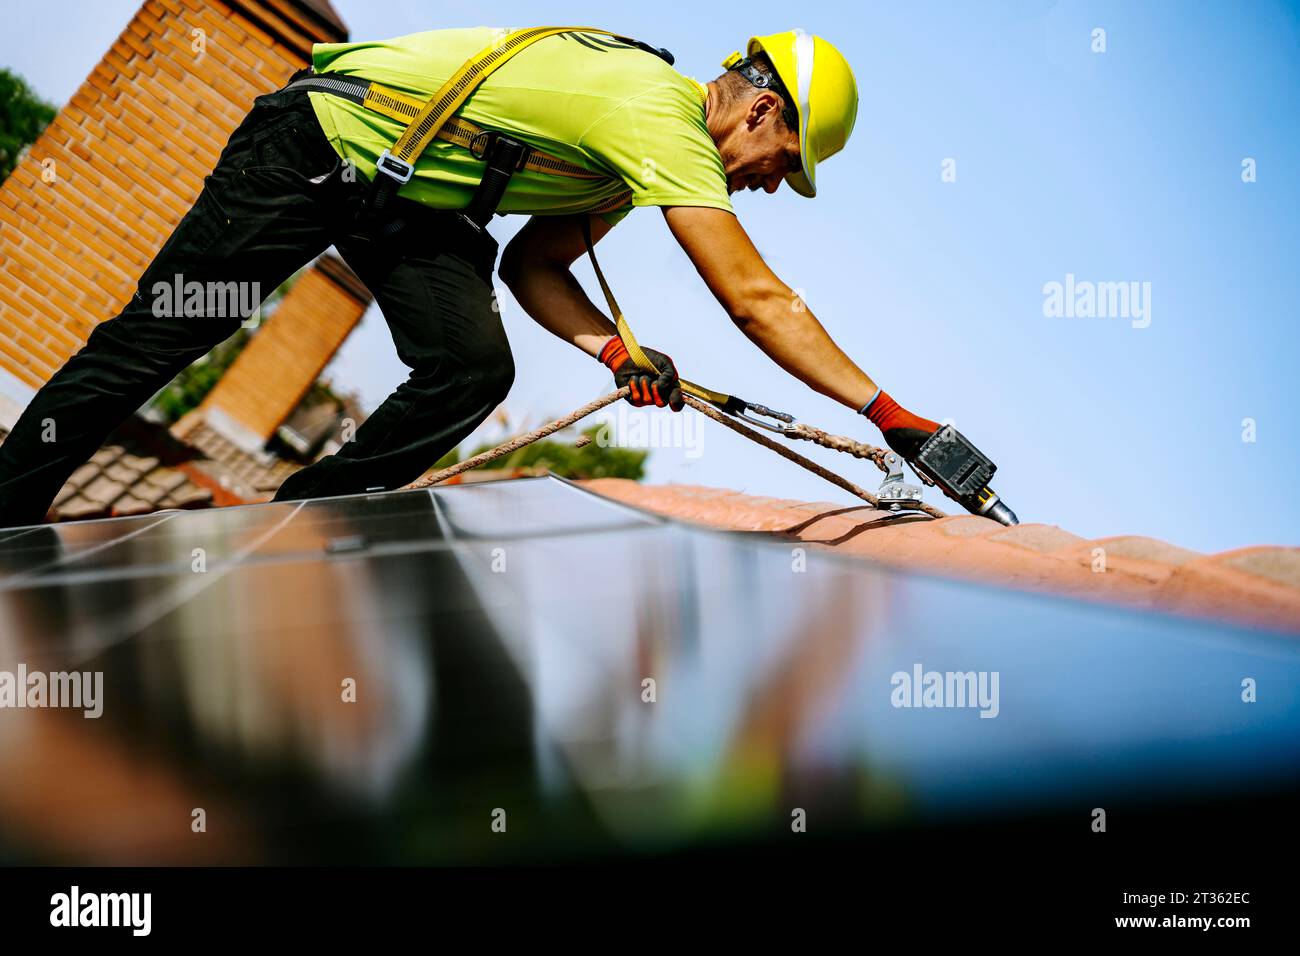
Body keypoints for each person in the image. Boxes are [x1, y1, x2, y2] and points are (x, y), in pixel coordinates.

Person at [0, 27, 940, 528]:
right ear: (760, 111)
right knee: (159, 337)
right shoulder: (662, 119)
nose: (772, 185)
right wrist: (888, 413)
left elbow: (536, 265)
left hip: (408, 204)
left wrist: (615, 351)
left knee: (472, 367)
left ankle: (286, 528)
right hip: (315, 148)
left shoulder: (632, 158)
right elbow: (757, 299)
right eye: (784, 162)